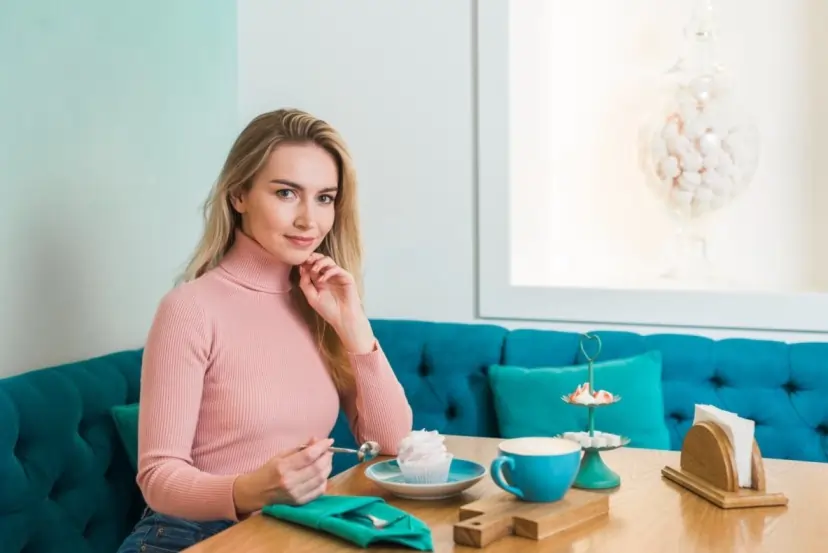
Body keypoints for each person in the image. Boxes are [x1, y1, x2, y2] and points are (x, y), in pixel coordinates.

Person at [116, 108, 414, 553]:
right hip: (186, 537)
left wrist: (354, 328)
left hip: (289, 533)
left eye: (325, 198)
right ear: (239, 194)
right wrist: (249, 489)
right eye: (287, 193)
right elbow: (158, 478)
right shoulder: (189, 309)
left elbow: (393, 441)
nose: (308, 221)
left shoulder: (320, 306)